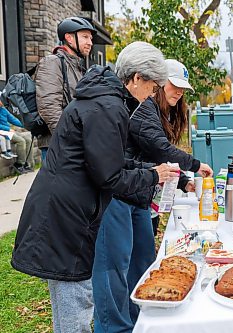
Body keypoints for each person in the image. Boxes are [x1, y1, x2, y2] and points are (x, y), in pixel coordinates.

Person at [11, 41, 176, 333]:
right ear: (136, 78)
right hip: (66, 217)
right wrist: (153, 177)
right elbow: (109, 177)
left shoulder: (105, 101)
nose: (151, 97)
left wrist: (149, 170)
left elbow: (111, 160)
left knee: (75, 302)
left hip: (68, 212)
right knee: (75, 310)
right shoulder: (107, 107)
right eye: (152, 89)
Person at [92, 59, 213, 332]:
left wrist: (182, 181)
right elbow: (159, 149)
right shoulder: (144, 108)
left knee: (142, 262)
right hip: (119, 194)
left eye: (183, 88)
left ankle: (140, 320)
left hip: (139, 194)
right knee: (114, 268)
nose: (179, 92)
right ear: (155, 82)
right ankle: (114, 327)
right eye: (174, 85)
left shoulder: (162, 111)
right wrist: (193, 166)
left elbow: (152, 158)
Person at [36, 17, 95, 160]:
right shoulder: (52, 63)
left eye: (91, 38)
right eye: (85, 37)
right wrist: (69, 140)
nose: (90, 43)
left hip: (75, 144)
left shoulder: (77, 67)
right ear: (69, 38)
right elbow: (48, 107)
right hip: (59, 146)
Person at [0, 102, 35, 172]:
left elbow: (13, 119)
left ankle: (28, 164)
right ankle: (19, 163)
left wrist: (25, 124)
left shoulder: (3, 109)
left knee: (28, 140)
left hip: (9, 131)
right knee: (21, 141)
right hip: (2, 132)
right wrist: (7, 129)